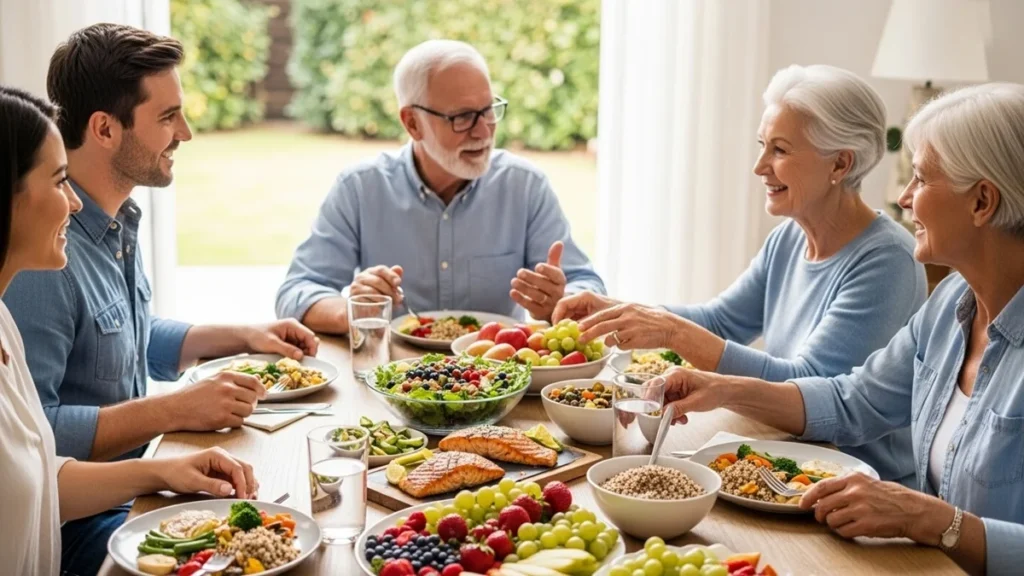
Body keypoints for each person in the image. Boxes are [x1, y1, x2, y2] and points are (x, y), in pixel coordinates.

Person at [655, 83, 1024, 576]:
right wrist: (721, 389)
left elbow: (944, 522)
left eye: (920, 179)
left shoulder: (888, 260)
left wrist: (935, 520)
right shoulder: (949, 307)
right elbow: (853, 401)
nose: (904, 198)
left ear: (982, 201)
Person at [1, 24, 314, 575]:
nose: (186, 133)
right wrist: (171, 412)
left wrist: (242, 336)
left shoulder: (116, 222)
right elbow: (34, 439)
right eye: (168, 117)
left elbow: (126, 335)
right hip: (82, 521)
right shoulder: (41, 257)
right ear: (104, 129)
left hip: (124, 486)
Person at [554, 65, 926, 483]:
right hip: (786, 465)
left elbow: (810, 387)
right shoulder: (788, 238)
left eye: (780, 151)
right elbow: (721, 322)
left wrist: (673, 332)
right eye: (762, 146)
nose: (759, 166)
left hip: (858, 488)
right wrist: (619, 310)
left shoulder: (888, 262)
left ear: (840, 163)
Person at [275, 39, 605, 333]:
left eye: (488, 110)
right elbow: (298, 290)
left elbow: (587, 286)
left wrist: (561, 302)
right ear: (412, 123)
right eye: (462, 117)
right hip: (393, 380)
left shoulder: (525, 186)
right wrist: (355, 311)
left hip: (496, 379)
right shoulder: (360, 188)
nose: (483, 131)